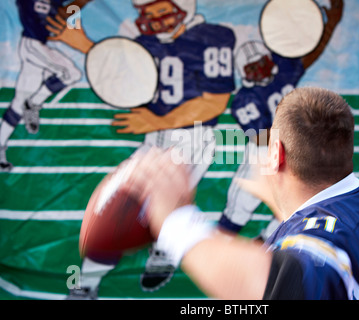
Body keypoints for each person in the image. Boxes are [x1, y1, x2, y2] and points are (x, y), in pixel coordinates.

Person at [124, 87, 359, 299]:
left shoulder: (323, 238)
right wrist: (281, 202)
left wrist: (175, 221)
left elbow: (289, 280)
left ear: (276, 154)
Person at [46, 0, 235, 297]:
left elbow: (215, 101)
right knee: (132, 210)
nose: (156, 20)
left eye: (162, 10)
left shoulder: (212, 36)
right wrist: (83, 44)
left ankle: (90, 283)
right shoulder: (146, 42)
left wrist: (157, 119)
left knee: (123, 209)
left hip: (191, 139)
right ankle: (99, 278)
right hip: (156, 140)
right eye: (149, 13)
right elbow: (121, 69)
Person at [219, 0, 344, 241]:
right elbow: (260, 136)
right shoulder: (243, 100)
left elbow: (311, 53)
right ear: (244, 73)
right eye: (252, 69)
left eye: (261, 64)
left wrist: (330, 26)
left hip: (290, 152)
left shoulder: (284, 70)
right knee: (239, 208)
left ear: (269, 60)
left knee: (298, 202)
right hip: (264, 154)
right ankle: (221, 249)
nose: (260, 72)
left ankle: (265, 243)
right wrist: (299, 134)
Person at [0, 0, 91, 171]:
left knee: (19, 103)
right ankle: (35, 102)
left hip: (37, 46)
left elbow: (69, 10)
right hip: (32, 44)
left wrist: (77, 8)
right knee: (72, 73)